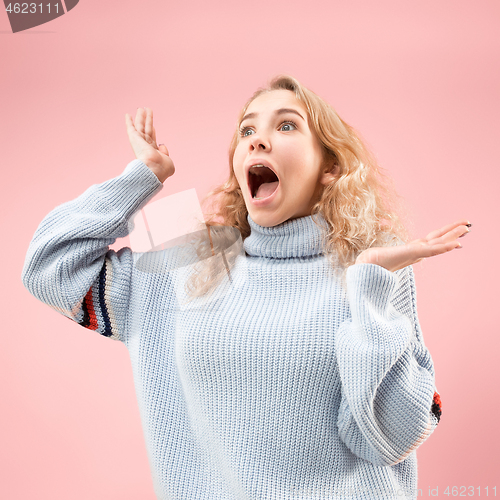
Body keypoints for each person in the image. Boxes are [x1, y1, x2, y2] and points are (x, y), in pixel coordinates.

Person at [22, 75, 470, 500]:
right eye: (246, 129)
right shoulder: (196, 255)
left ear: (329, 168)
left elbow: (394, 435)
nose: (257, 138)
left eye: (287, 125)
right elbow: (50, 267)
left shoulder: (372, 263)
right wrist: (143, 176)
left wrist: (370, 288)